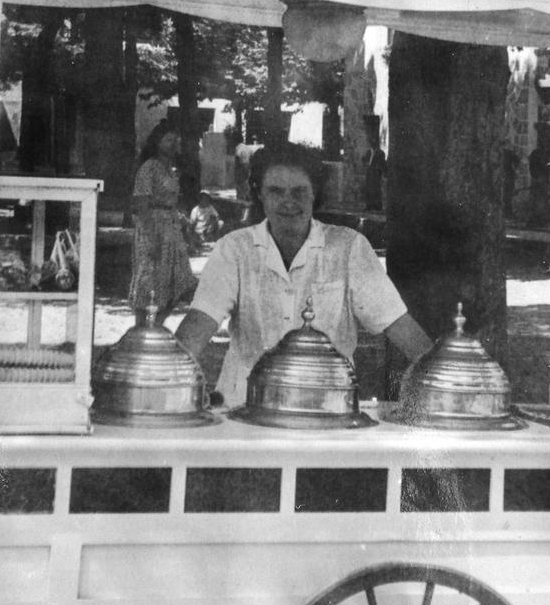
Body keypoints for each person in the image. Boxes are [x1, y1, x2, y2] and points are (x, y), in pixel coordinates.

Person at [175, 142, 433, 405]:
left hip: (328, 408)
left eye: (299, 191)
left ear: (314, 194)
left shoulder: (349, 248)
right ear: (260, 195)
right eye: (276, 191)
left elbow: (399, 325)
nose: (288, 201)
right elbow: (199, 324)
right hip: (245, 409)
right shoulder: (233, 249)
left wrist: (448, 383)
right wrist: (164, 381)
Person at [129, 120, 198, 326]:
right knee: (149, 281)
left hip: (171, 229)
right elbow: (141, 204)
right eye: (168, 140)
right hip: (153, 226)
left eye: (175, 140)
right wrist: (150, 237)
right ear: (157, 142)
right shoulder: (149, 167)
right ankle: (141, 328)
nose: (173, 144)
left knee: (177, 283)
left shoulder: (170, 169)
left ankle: (157, 326)